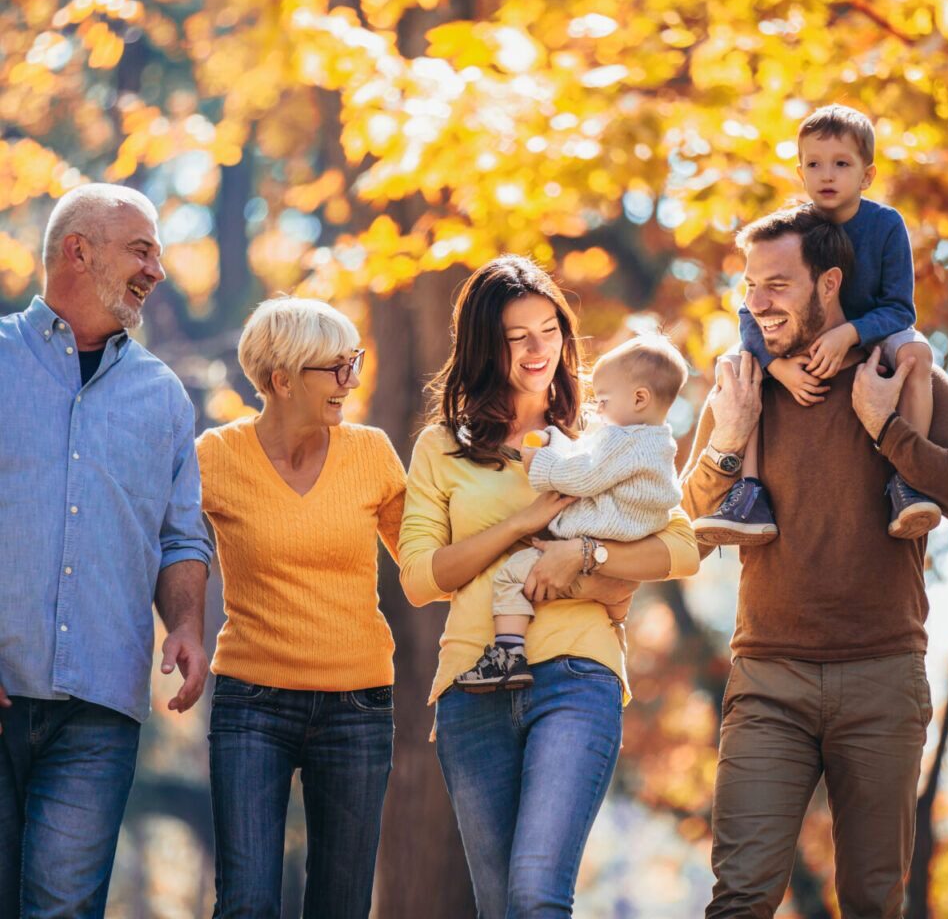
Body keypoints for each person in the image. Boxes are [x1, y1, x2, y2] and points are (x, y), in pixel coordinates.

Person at [680, 204, 948, 918]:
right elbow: (683, 536)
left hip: (882, 678)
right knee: (739, 899)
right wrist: (729, 441)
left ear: (829, 283)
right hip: (768, 680)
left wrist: (890, 431)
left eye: (778, 285)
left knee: (871, 901)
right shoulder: (744, 388)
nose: (757, 303)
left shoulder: (903, 378)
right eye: (750, 285)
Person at [399, 255, 700, 918]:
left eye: (549, 330)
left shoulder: (606, 434)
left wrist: (585, 553)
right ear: (485, 347)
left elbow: (682, 548)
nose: (540, 350)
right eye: (517, 338)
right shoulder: (440, 448)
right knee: (500, 906)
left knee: (536, 896)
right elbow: (421, 578)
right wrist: (526, 521)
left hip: (574, 676)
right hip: (471, 692)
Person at [0, 183, 213, 917]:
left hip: (98, 707)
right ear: (78, 250)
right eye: (142, 250)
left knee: (61, 908)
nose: (158, 269)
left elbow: (180, 534)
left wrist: (185, 624)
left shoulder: (162, 397)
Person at [195, 296, 406, 918]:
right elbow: (162, 542)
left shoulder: (371, 453)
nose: (352, 380)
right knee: (248, 903)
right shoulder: (216, 456)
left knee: (341, 907)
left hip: (359, 705)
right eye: (335, 368)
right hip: (251, 703)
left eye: (354, 362)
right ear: (280, 379)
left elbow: (428, 567)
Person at [694, 104, 938, 546]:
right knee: (738, 366)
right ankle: (748, 494)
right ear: (800, 172)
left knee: (917, 353)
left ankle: (908, 480)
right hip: (795, 342)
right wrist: (773, 364)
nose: (827, 175)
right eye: (814, 164)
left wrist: (850, 333)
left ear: (866, 175)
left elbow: (901, 309)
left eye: (841, 164)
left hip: (874, 337)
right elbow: (752, 307)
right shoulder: (797, 228)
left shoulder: (885, 226)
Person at [454, 333, 687, 692]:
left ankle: (508, 654)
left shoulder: (621, 440)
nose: (598, 410)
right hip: (626, 540)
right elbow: (587, 454)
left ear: (640, 398)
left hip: (599, 531)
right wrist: (556, 441)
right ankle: (614, 626)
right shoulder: (657, 442)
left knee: (511, 577)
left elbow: (583, 474)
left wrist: (539, 462)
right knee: (612, 598)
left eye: (605, 400)